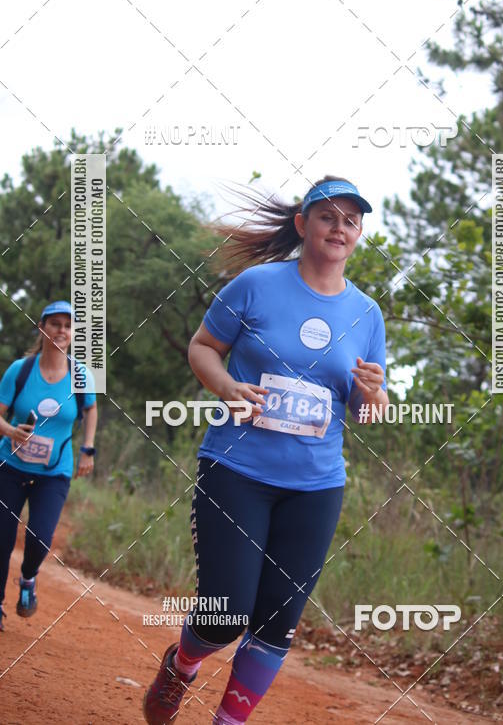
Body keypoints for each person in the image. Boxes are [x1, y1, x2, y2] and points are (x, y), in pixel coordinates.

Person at [143, 176, 389, 724]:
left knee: (277, 622)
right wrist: (226, 387)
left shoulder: (366, 314)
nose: (340, 227)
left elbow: (369, 411)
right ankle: (182, 664)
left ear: (358, 235)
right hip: (238, 470)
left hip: (317, 485)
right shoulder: (255, 285)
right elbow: (204, 346)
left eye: (351, 220)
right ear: (303, 225)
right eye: (328, 216)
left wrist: (372, 394)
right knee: (225, 613)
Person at [0, 300, 97, 630]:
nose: (62, 331)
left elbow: (91, 409)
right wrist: (12, 430)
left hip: (54, 473)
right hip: (10, 467)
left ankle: (28, 579)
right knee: (1, 536)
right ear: (42, 328)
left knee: (40, 538)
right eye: (55, 324)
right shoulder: (20, 370)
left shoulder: (80, 374)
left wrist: (88, 448)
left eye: (68, 326)